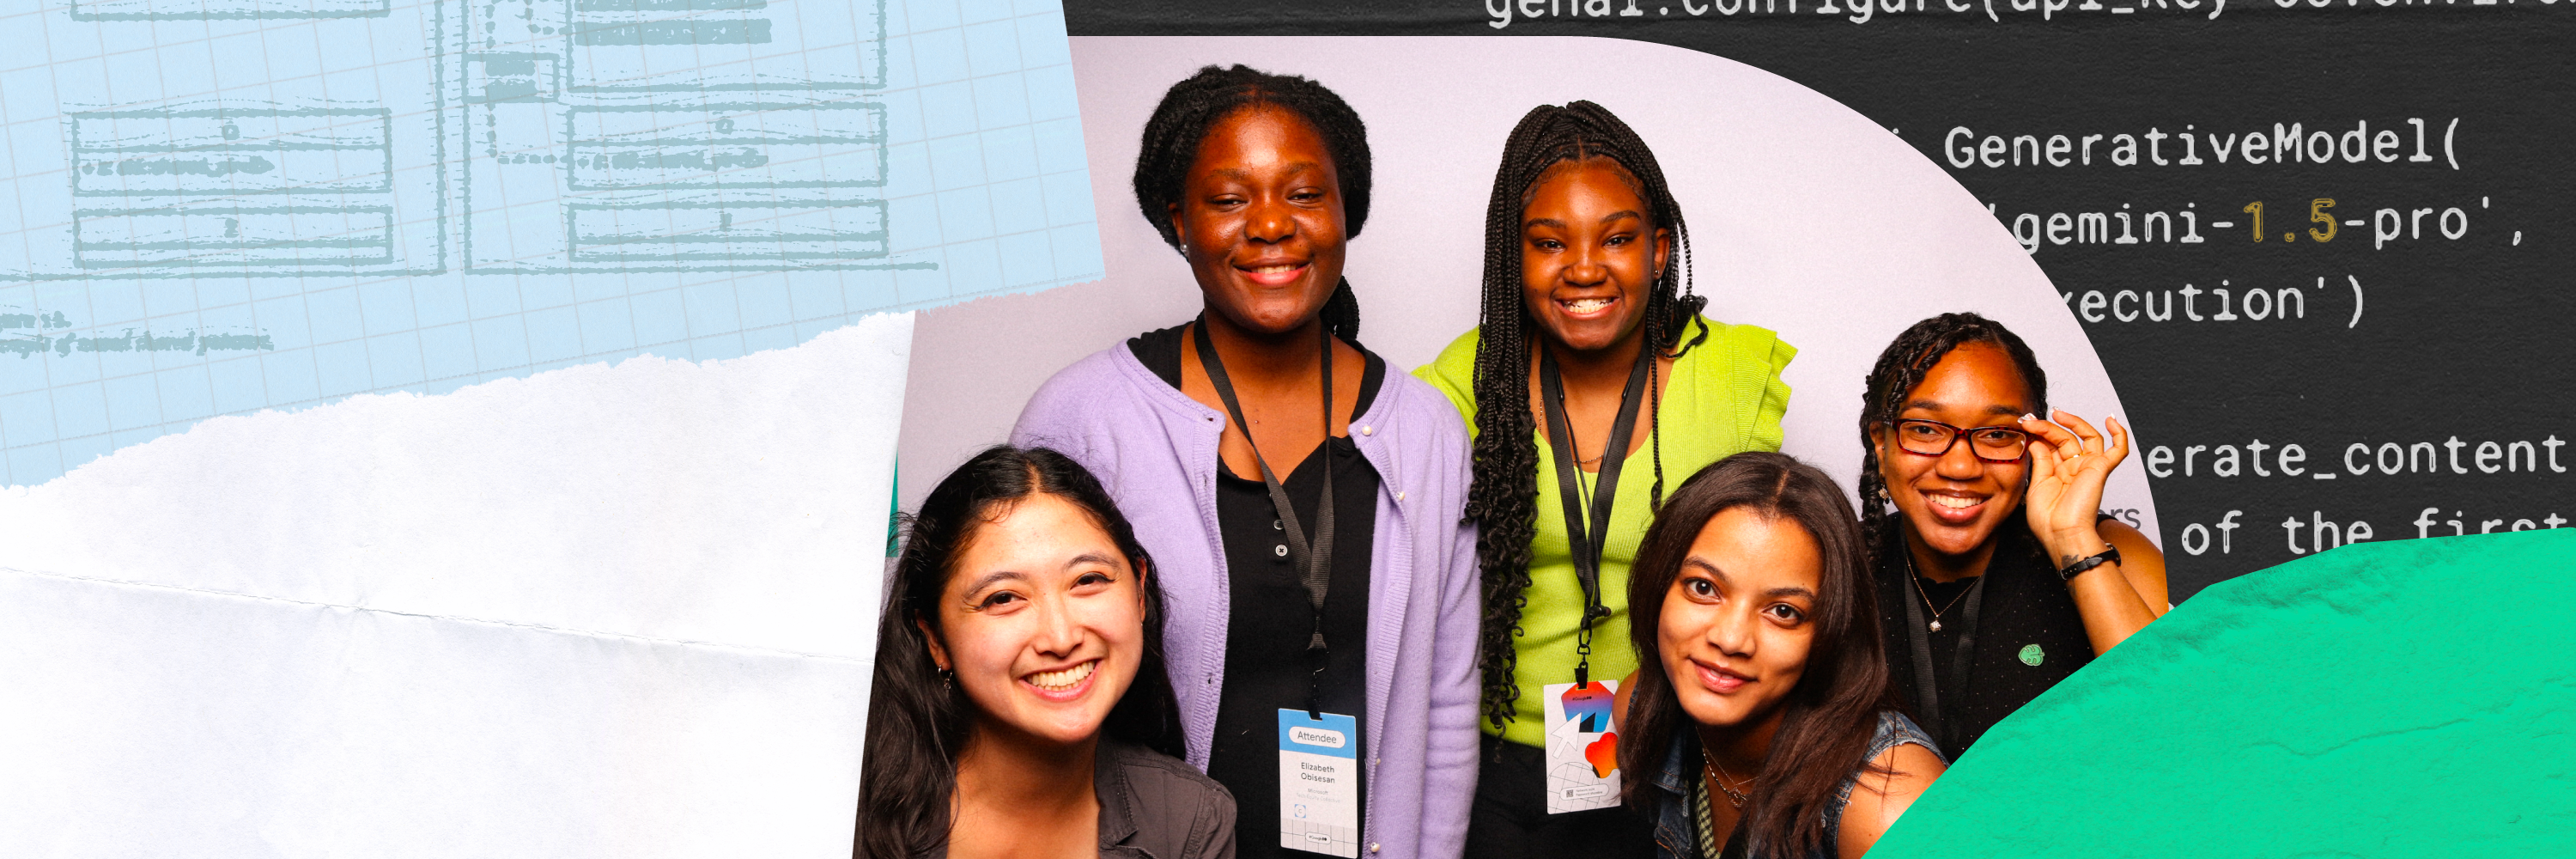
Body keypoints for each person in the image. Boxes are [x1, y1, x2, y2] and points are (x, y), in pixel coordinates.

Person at [1011, 65, 1479, 859]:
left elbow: (1447, 698)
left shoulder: (1426, 432)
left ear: (1345, 211)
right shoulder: (1084, 422)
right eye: (1230, 199)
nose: (1270, 225)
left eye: (1303, 194)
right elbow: (1019, 673)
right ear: (1178, 220)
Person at [1413, 101, 1795, 857]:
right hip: (1493, 765)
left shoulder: (1734, 376)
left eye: (1616, 239)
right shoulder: (1463, 382)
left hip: (1682, 755)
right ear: (1511, 256)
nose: (1585, 269)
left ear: (1658, 250)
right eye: (1549, 243)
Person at [855, 445, 1234, 859]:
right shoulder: (843, 807)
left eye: (1088, 579)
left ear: (1139, 591)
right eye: (1003, 598)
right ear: (935, 638)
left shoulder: (1190, 821)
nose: (1060, 637)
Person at [1855, 312, 2169, 758]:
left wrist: (2073, 539)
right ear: (1881, 444)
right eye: (1925, 429)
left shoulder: (2112, 552)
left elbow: (2177, 728)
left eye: (1998, 434)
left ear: (2033, 448)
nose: (1960, 467)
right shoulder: (1834, 563)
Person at [1617, 452, 1945, 859]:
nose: (1731, 639)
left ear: (1832, 630)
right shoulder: (1640, 711)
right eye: (1703, 588)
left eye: (1784, 612)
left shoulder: (1886, 802)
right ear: (1658, 585)